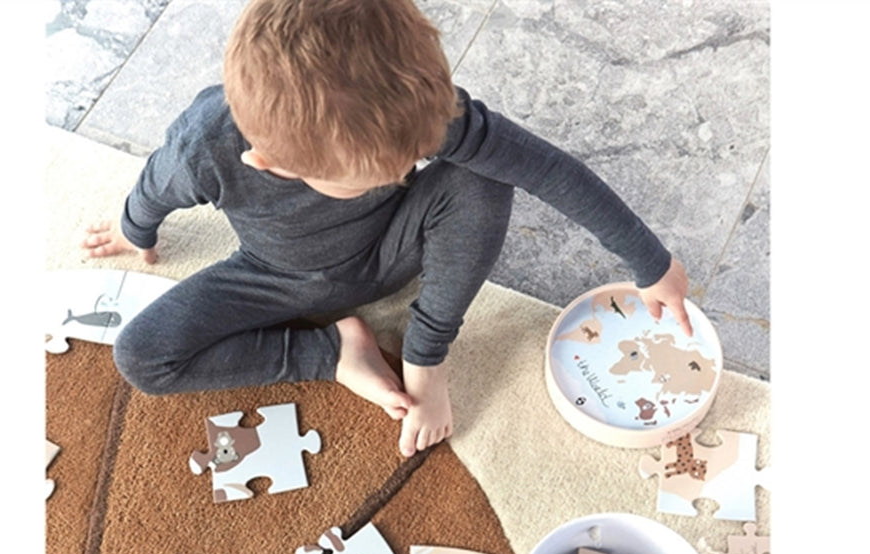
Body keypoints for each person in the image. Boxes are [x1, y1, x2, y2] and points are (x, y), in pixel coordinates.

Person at [82, 0, 692, 458]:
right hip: (273, 277)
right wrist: (135, 230)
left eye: (409, 161)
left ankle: (426, 356)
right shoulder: (203, 146)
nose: (403, 173)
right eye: (371, 177)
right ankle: (334, 353)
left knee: (483, 179)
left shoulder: (404, 104)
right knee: (141, 357)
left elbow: (547, 169)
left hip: (396, 246)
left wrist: (651, 263)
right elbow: (154, 188)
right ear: (268, 162)